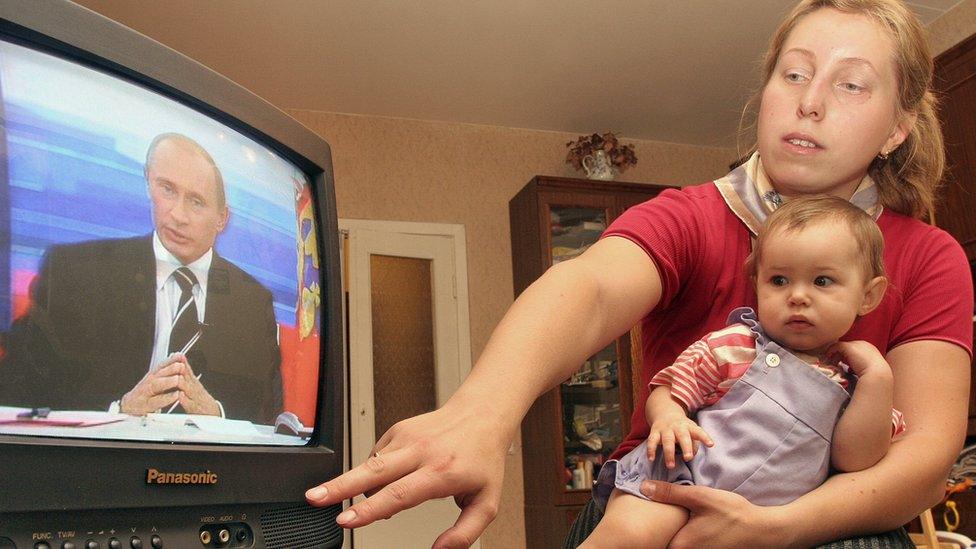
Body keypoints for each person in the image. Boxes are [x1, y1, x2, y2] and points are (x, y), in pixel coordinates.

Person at [305, 1, 973, 547]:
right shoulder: (689, 215)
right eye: (794, 75)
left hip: (829, 516)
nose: (811, 102)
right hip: (657, 495)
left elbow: (923, 457)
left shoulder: (930, 256)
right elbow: (588, 289)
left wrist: (776, 526)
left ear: (897, 129)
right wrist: (482, 413)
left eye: (851, 84)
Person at [581, 196, 901, 547]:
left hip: (761, 526)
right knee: (633, 534)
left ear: (868, 296)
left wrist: (877, 379)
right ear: (756, 284)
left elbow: (855, 459)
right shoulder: (738, 345)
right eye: (779, 280)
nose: (797, 296)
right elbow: (671, 387)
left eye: (822, 281)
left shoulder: (853, 387)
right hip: (679, 482)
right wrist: (669, 417)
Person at [0, 133, 282, 425]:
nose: (177, 215)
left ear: (222, 218)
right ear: (149, 184)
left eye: (197, 202)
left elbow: (269, 418)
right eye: (167, 189)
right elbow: (18, 393)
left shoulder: (253, 303)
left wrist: (216, 416)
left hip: (213, 469)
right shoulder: (75, 272)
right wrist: (118, 411)